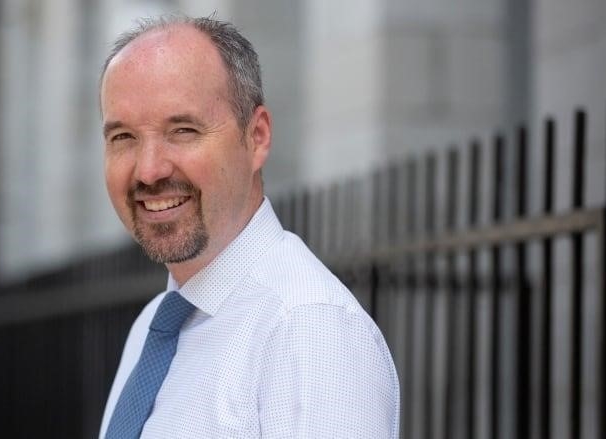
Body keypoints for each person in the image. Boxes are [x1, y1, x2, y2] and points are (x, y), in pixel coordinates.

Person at [98, 15, 399, 438]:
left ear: (256, 137)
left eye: (183, 130)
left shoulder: (309, 333)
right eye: (123, 137)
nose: (148, 170)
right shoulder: (153, 327)